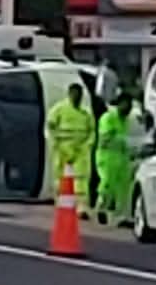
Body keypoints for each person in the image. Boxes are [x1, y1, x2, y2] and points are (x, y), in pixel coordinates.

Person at [45, 82, 95, 218]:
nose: (76, 97)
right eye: (74, 94)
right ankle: (62, 204)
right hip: (62, 149)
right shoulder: (59, 109)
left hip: (80, 150)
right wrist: (56, 145)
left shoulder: (86, 113)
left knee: (81, 179)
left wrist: (85, 146)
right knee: (61, 178)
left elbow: (91, 132)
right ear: (69, 94)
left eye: (79, 95)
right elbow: (50, 129)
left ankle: (81, 207)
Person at [95, 93, 137, 227]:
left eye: (130, 106)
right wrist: (124, 142)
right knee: (107, 184)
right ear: (119, 104)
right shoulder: (108, 118)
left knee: (123, 188)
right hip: (107, 157)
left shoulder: (126, 121)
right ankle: (101, 208)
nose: (129, 109)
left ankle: (121, 216)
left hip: (122, 158)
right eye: (126, 105)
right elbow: (106, 138)